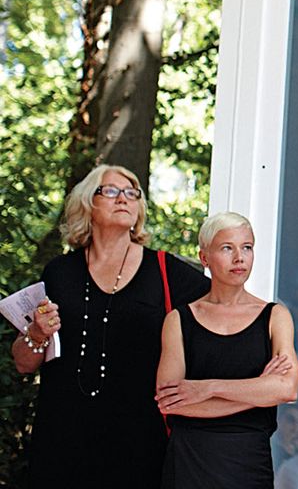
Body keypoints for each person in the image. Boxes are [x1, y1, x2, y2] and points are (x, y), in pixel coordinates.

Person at [11, 164, 210, 488]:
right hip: (63, 438)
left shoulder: (165, 270)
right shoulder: (60, 272)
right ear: (89, 202)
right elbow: (23, 362)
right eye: (113, 191)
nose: (124, 199)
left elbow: (225, 306)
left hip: (139, 443)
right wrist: (36, 333)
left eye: (133, 193)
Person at [156, 211, 298, 488]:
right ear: (204, 258)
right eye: (227, 248)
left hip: (248, 462)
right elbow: (169, 401)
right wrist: (259, 390)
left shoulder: (274, 315)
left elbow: (287, 389)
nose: (240, 257)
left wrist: (207, 388)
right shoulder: (179, 319)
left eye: (247, 247)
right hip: (189, 462)